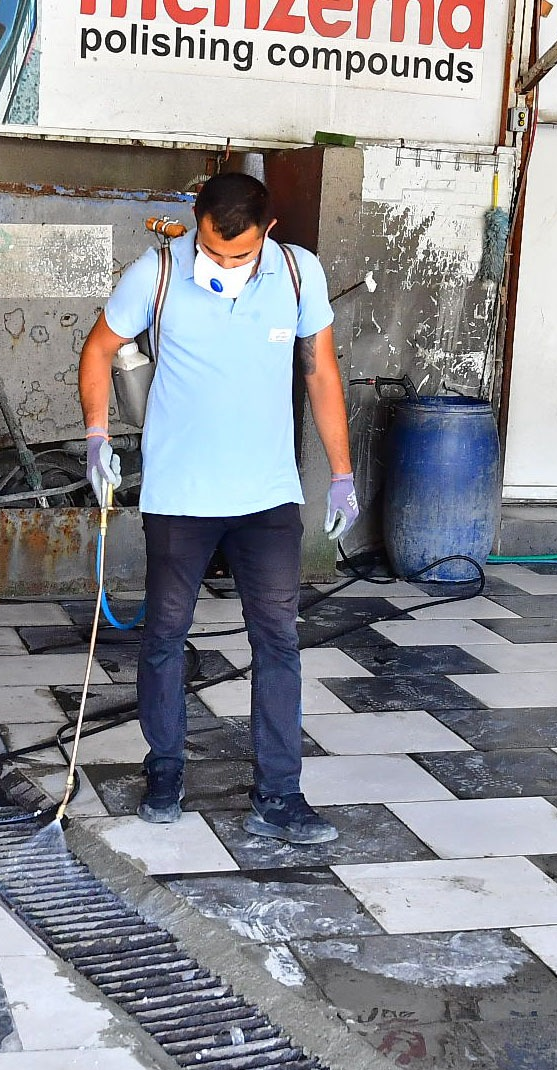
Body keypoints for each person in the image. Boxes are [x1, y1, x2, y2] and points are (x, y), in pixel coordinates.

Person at [78, 172, 359, 845]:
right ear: (195, 222)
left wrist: (342, 472)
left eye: (241, 254)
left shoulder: (298, 274)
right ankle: (165, 771)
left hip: (267, 495)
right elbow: (99, 348)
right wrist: (95, 435)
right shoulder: (156, 273)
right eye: (212, 249)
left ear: (269, 232)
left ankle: (280, 795)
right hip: (181, 494)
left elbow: (320, 370)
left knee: (279, 640)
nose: (226, 264)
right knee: (165, 634)